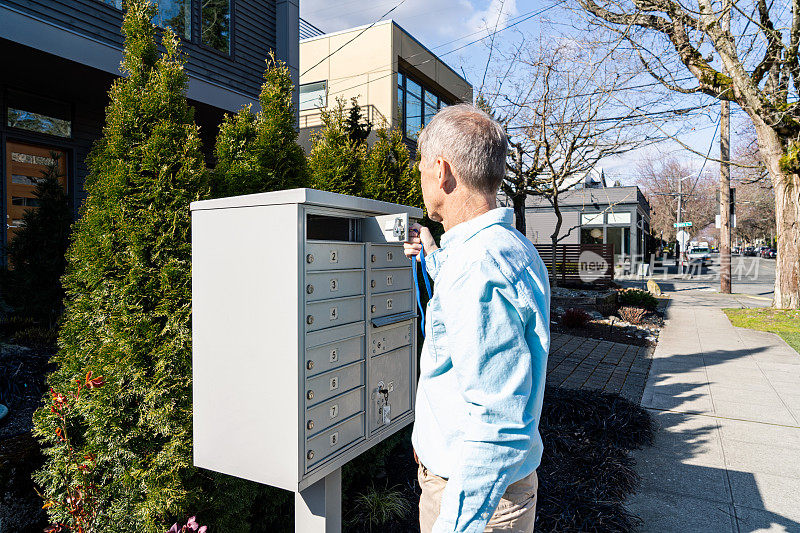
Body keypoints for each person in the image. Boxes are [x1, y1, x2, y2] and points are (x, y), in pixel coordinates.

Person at [403, 104, 551, 533]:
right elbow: (467, 318)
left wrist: (455, 523)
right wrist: (433, 256)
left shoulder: (478, 267)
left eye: (422, 168)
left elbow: (498, 419)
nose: (421, 179)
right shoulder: (508, 248)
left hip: (475, 502)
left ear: (443, 170)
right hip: (486, 487)